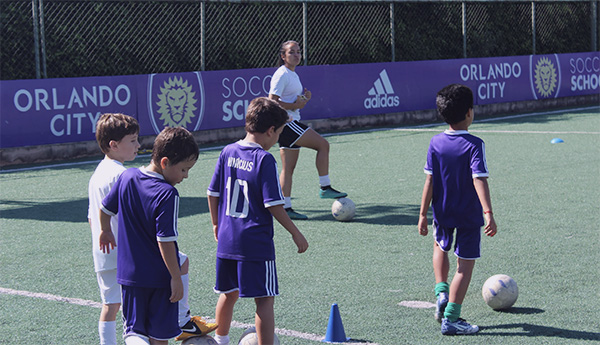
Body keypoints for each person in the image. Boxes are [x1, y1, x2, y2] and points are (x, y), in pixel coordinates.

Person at [99, 127, 215, 345]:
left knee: (134, 333)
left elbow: (105, 209)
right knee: (159, 338)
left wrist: (105, 230)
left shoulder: (127, 176)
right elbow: (165, 240)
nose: (185, 176)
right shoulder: (167, 193)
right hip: (160, 279)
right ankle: (183, 320)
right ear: (164, 162)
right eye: (183, 169)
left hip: (130, 277)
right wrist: (175, 277)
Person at [207, 97, 309, 345]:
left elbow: (213, 193)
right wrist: (295, 232)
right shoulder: (264, 159)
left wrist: (215, 224)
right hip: (254, 242)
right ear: (270, 130)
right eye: (279, 133)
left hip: (228, 239)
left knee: (228, 293)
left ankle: (220, 341)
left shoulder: (227, 151)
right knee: (264, 299)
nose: (277, 140)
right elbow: (273, 203)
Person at [417, 84, 497, 336]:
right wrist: (488, 213)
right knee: (465, 265)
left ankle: (441, 292)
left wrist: (422, 214)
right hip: (468, 215)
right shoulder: (475, 144)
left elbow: (429, 180)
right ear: (470, 112)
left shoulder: (436, 142)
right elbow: (479, 179)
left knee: (440, 246)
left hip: (442, 211)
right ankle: (451, 318)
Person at [268, 40, 347, 220]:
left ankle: (285, 208)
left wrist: (303, 99)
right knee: (323, 145)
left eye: (298, 52)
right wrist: (295, 105)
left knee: (288, 169)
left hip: (287, 123)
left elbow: (291, 102)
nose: (296, 55)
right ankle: (325, 187)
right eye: (291, 52)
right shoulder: (282, 74)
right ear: (283, 56)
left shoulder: (292, 74)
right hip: (287, 123)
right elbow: (271, 101)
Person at [88, 113, 140, 345]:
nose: (138, 145)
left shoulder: (97, 173)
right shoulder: (122, 175)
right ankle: (182, 318)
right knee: (135, 307)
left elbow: (92, 218)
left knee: (110, 305)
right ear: (114, 145)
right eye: (133, 141)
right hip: (127, 254)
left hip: (103, 253)